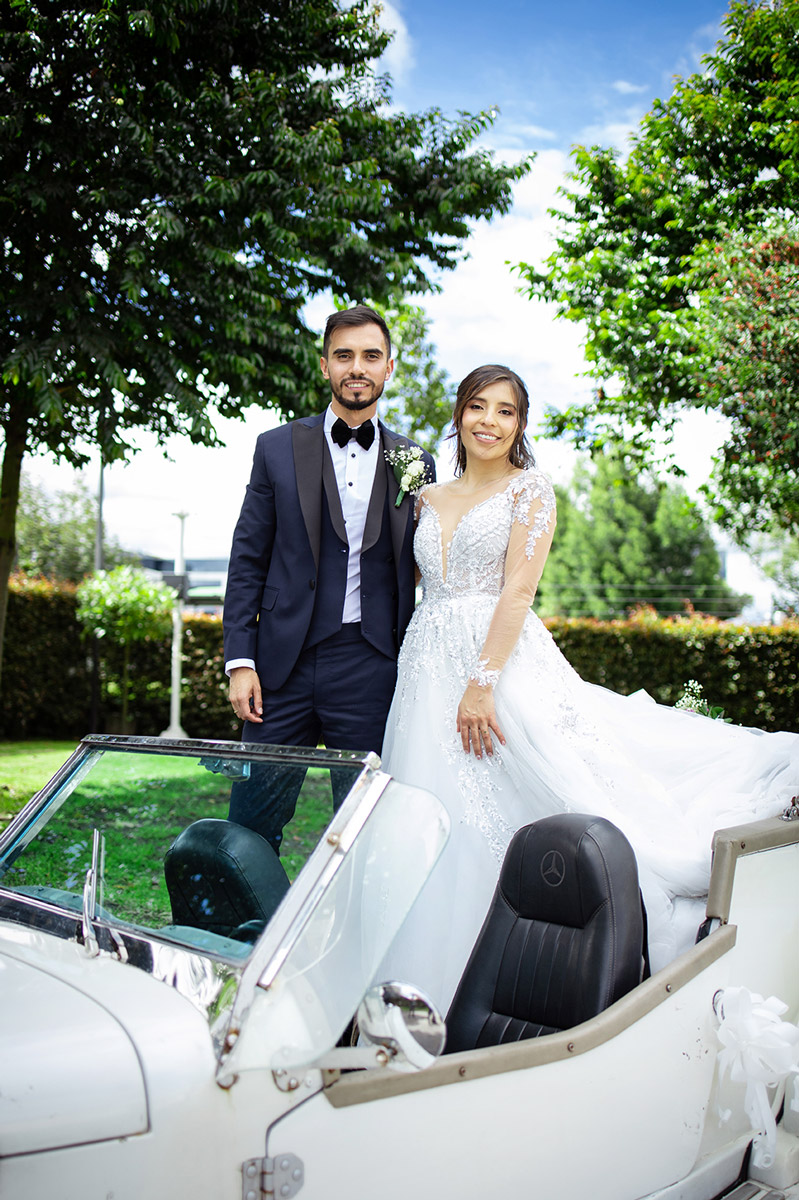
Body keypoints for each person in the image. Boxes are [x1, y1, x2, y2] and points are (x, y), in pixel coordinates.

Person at [378, 363, 799, 1013]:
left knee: (542, 781)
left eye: (506, 411)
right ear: (458, 414)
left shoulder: (530, 490)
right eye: (478, 406)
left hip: (496, 663)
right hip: (424, 665)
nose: (489, 421)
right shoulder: (425, 499)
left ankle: (520, 968)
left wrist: (481, 684)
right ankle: (415, 987)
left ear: (520, 425)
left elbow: (519, 590)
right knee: (428, 803)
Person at [223, 304, 435, 852]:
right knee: (250, 823)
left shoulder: (415, 460)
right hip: (280, 668)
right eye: (344, 355)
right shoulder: (276, 447)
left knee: (367, 831)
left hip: (371, 666)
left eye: (370, 356)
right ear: (325, 366)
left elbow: (425, 561)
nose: (357, 367)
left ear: (389, 367)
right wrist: (241, 660)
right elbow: (248, 557)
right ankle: (248, 910)